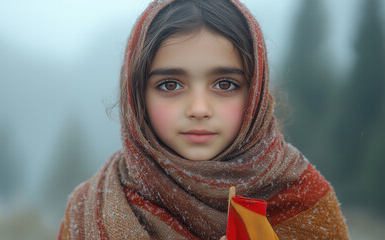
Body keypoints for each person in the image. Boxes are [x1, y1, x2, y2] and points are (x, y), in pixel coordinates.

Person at [57, 0, 350, 239]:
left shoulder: (302, 201)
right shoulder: (91, 209)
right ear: (138, 97)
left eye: (225, 84)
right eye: (170, 85)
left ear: (255, 93)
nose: (199, 108)